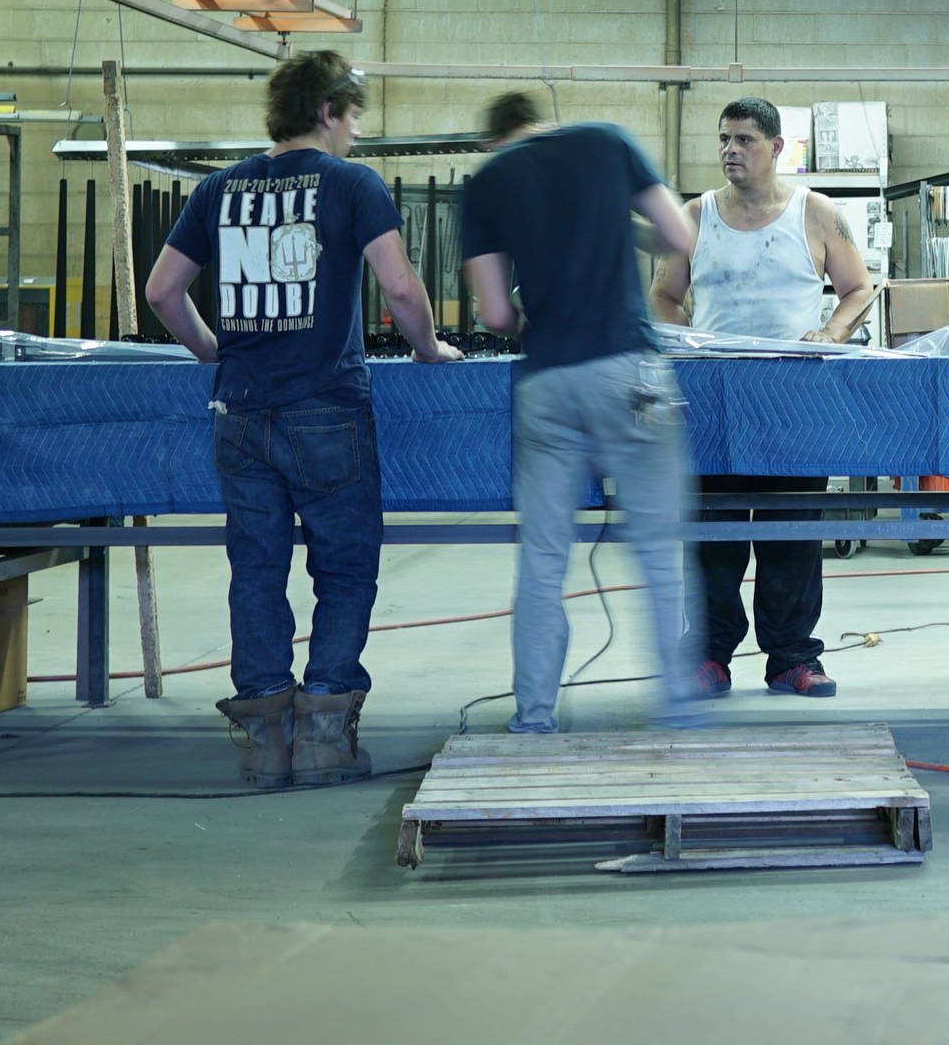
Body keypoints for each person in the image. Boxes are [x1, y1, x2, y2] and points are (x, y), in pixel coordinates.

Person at [145, 50, 463, 789]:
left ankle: (264, 742)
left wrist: (211, 350)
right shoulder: (353, 184)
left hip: (242, 407)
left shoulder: (219, 189)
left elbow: (164, 290)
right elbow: (401, 289)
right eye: (353, 117)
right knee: (345, 568)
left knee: (255, 569)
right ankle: (326, 734)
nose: (354, 133)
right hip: (326, 406)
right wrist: (428, 348)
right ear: (327, 111)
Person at [459, 92, 704, 734]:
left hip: (548, 384)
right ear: (540, 119)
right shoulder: (606, 140)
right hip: (629, 371)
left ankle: (534, 715)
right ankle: (675, 708)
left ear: (494, 139)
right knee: (655, 546)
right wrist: (618, 228)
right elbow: (680, 237)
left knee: (542, 560)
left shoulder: (486, 182)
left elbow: (495, 315)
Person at [648, 97, 876, 699]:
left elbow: (858, 290)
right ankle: (708, 657)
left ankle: (792, 660)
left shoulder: (818, 214)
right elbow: (664, 297)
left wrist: (829, 335)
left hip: (792, 399)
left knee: (792, 534)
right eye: (724, 139)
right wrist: (685, 345)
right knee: (711, 535)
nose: (730, 150)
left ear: (777, 148)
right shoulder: (693, 216)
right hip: (714, 398)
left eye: (745, 140)